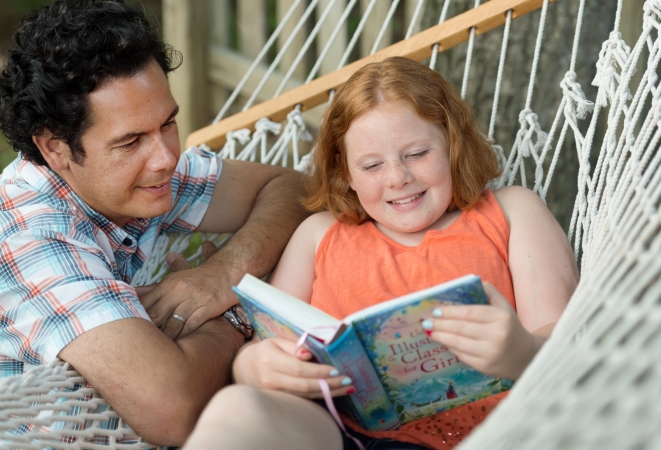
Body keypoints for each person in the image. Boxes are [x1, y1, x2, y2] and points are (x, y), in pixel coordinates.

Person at [0, 0, 309, 446]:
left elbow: (291, 187)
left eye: (168, 123)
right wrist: (232, 316)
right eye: (130, 141)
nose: (165, 157)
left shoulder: (136, 179)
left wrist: (224, 273)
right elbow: (172, 410)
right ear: (57, 149)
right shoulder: (23, 236)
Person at [183, 56, 578, 450]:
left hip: (493, 435)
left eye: (417, 154)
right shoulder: (319, 235)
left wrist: (520, 352)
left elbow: (564, 342)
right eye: (371, 165)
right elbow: (267, 340)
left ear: (453, 145)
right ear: (345, 174)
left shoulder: (511, 212)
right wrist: (254, 366)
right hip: (342, 433)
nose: (397, 178)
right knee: (236, 406)